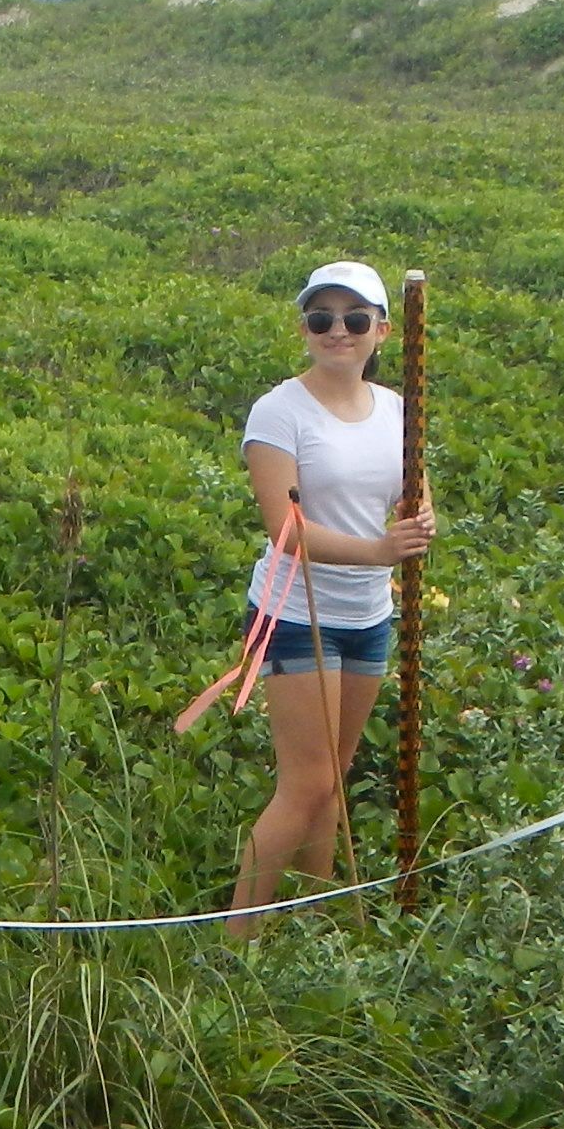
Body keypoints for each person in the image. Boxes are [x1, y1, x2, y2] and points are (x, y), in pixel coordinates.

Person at [225, 258, 437, 928]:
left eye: (353, 319)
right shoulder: (277, 412)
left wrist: (421, 519)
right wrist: (380, 550)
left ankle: (312, 924)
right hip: (294, 613)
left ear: (381, 331)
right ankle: (237, 938)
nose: (336, 331)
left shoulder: (401, 410)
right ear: (305, 329)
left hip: (368, 616)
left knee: (333, 780)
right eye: (322, 319)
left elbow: (412, 494)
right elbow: (286, 531)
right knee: (308, 782)